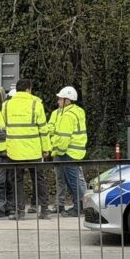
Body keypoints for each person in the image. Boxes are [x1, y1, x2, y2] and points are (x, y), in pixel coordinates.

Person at [1, 78, 50, 219]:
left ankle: (19, 212)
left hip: (14, 151)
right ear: (29, 89)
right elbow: (43, 128)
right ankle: (45, 210)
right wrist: (46, 149)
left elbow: (5, 124)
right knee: (39, 180)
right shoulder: (36, 103)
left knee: (17, 182)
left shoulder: (6, 105)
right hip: (34, 150)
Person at [50, 86, 87, 216]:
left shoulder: (67, 115)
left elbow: (64, 138)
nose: (58, 101)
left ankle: (78, 208)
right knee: (77, 181)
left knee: (73, 182)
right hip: (77, 152)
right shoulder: (78, 111)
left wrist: (58, 151)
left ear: (67, 100)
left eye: (60, 99)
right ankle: (82, 206)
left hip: (68, 153)